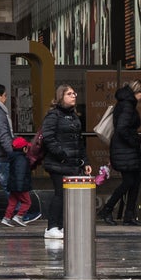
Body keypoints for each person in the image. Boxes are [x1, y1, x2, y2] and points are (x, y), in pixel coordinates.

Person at [36, 84, 88, 241]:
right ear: (61, 97)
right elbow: (48, 138)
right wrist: (62, 155)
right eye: (69, 94)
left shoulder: (73, 116)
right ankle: (52, 226)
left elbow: (79, 141)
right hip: (58, 162)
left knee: (67, 195)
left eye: (74, 93)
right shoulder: (53, 116)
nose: (74, 96)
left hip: (72, 162)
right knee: (60, 193)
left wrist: (85, 161)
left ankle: (61, 226)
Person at [0, 83, 29, 226]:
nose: (5, 99)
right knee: (11, 187)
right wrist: (13, 153)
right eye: (5, 96)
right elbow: (2, 135)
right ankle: (19, 214)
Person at [103, 82, 141, 225]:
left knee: (134, 182)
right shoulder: (127, 105)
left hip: (124, 149)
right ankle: (107, 209)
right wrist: (136, 140)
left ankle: (129, 215)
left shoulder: (125, 104)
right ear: (135, 92)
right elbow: (122, 128)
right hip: (125, 149)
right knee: (129, 182)